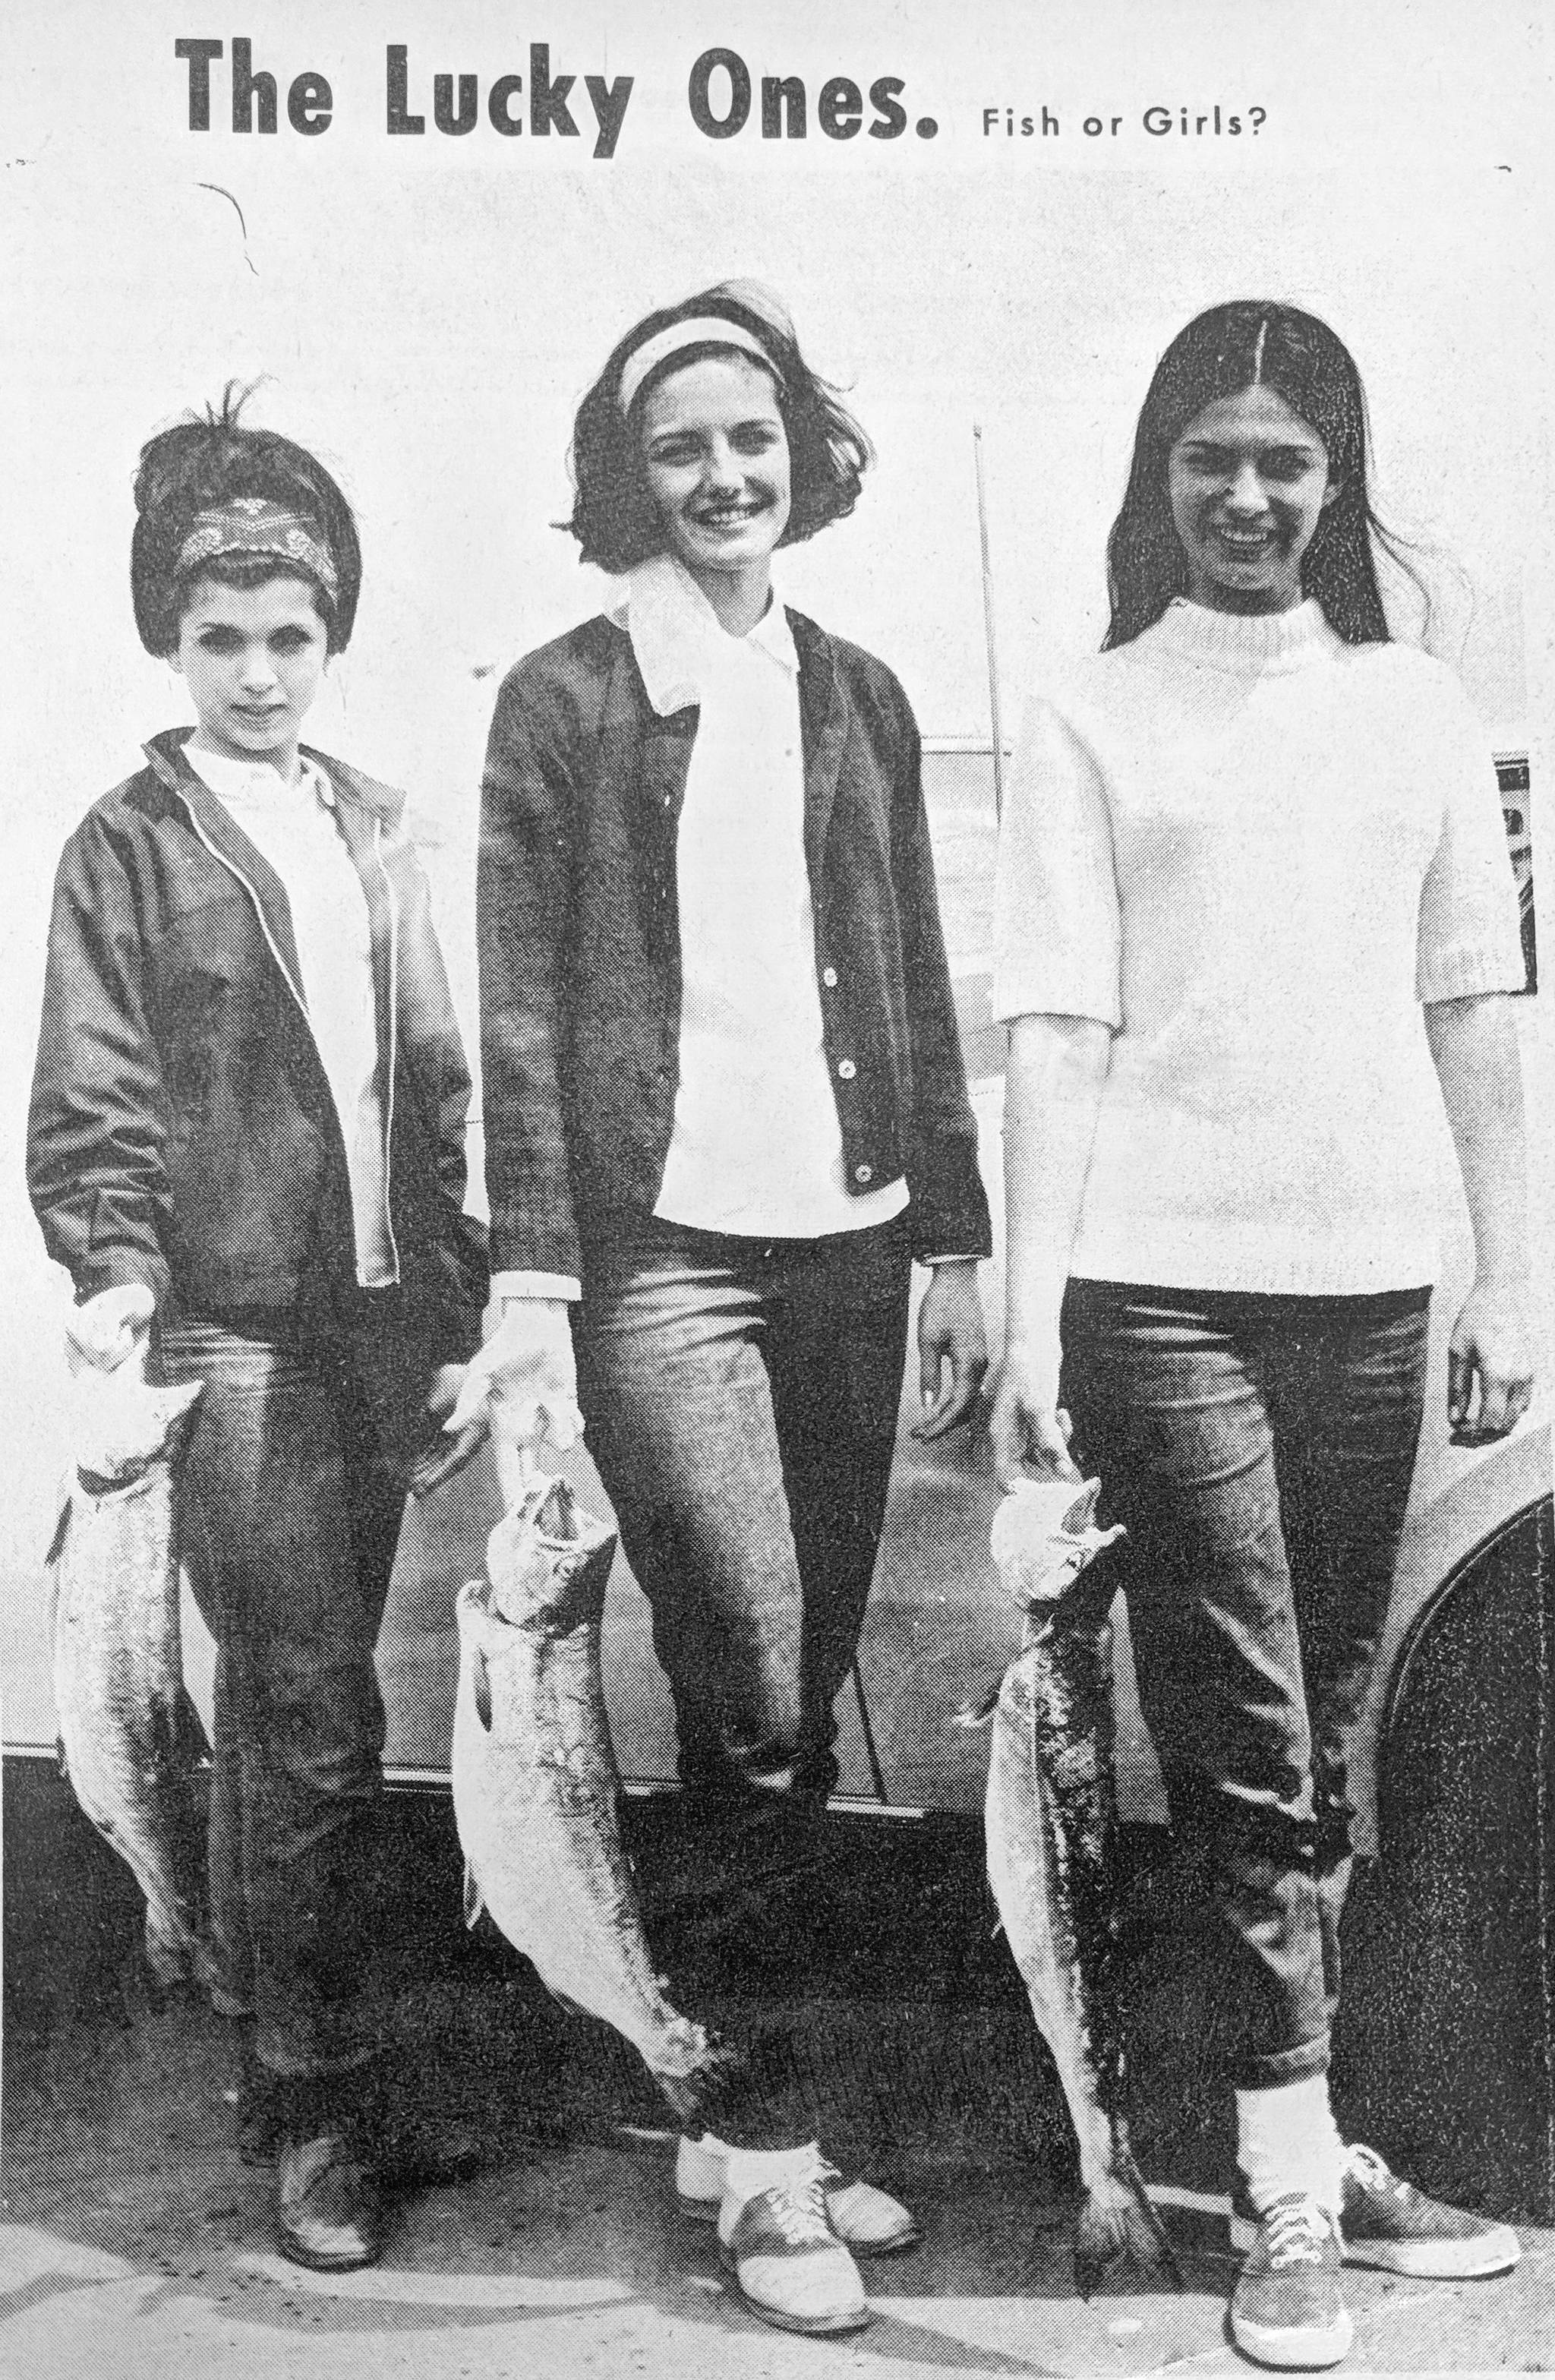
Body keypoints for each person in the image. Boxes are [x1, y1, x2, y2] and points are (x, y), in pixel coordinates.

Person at [989, 301, 1532, 2370]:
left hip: (1372, 1289)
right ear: (1162, 475)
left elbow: (1475, 1005)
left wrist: (1511, 1267)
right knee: (1245, 1732)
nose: (1248, 494)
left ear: (1337, 479)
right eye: (1211, 456)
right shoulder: (1089, 709)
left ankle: (1311, 2116)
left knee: (1331, 1730)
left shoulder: (1411, 705)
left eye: (1287, 460)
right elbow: (1058, 1026)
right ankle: (1290, 2184)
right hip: (1164, 1287)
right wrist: (1033, 1308)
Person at [452, 281, 991, 2335]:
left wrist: (952, 1236)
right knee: (756, 1679)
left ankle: (733, 2102)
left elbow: (921, 979)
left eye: (751, 435)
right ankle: (761, 2156)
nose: (724, 473)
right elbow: (516, 1000)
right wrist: (534, 1277)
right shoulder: (568, 695)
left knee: (799, 1685)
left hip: (852, 1248)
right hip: (667, 1256)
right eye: (680, 444)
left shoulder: (857, 688)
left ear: (803, 450)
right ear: (631, 473)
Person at [27, 391, 490, 2274]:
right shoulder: (127, 841)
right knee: (300, 1708)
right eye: (220, 636)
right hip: (230, 1341)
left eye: (290, 635)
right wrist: (115, 1272)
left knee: (314, 1713)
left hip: (378, 1331)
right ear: (169, 637)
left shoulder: (373, 821)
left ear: (332, 636)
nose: (258, 671)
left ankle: (294, 2059)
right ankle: (312, 2109)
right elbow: (95, 1092)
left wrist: (462, 1308)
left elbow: (436, 1081)